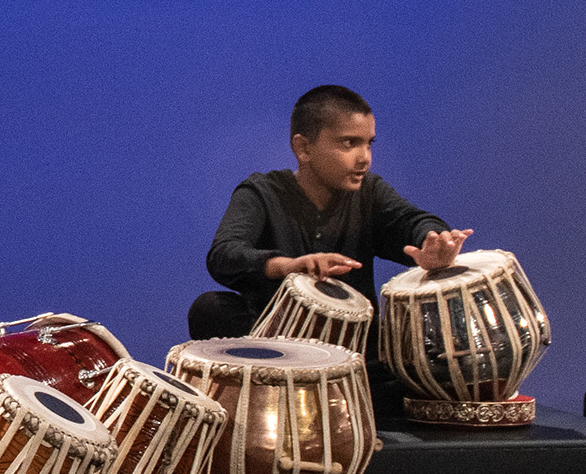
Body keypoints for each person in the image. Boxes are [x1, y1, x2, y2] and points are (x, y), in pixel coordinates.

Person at [190, 84, 471, 340]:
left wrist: (433, 241)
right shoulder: (263, 192)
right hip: (275, 348)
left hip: (355, 351)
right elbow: (224, 255)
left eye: (369, 143)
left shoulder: (369, 192)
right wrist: (289, 266)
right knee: (211, 309)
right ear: (303, 148)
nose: (364, 158)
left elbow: (409, 220)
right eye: (349, 143)